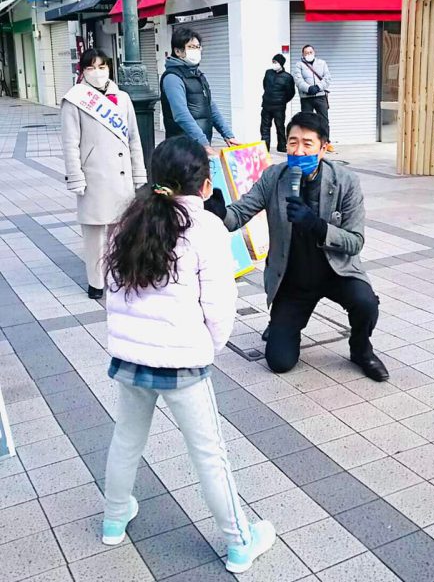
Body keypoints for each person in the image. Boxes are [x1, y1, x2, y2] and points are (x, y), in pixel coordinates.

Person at [102, 136, 276, 573]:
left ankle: (114, 519)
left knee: (126, 440)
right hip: (182, 362)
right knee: (209, 454)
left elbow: (112, 294)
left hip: (130, 359)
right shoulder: (207, 228)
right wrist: (206, 349)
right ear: (204, 185)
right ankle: (239, 543)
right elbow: (219, 307)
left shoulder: (125, 223)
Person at [205, 112, 389, 383]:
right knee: (279, 361)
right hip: (293, 279)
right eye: (293, 142)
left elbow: (355, 242)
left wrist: (317, 225)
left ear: (323, 148)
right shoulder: (274, 177)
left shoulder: (345, 181)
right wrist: (220, 213)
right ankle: (282, 323)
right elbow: (240, 213)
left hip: (336, 272)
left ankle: (361, 349)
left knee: (366, 303)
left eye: (307, 144)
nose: (298, 150)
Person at [61, 48, 147, 300]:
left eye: (102, 67)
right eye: (91, 67)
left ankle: (121, 274)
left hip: (121, 176)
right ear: (82, 71)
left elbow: (134, 139)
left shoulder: (123, 98)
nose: (97, 72)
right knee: (95, 233)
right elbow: (70, 143)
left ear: (110, 68)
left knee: (122, 230)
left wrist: (139, 174)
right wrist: (76, 176)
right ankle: (96, 282)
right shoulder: (74, 99)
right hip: (94, 177)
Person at [160, 27, 240, 156]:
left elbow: (211, 107)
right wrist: (203, 143)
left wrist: (228, 135)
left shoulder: (198, 75)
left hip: (199, 147)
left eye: (198, 47)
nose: (196, 51)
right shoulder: (172, 78)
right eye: (191, 47)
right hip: (181, 149)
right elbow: (181, 114)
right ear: (178, 51)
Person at [293, 45, 334, 153]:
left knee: (324, 120)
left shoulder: (322, 63)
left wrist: (318, 87)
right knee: (307, 121)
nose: (309, 54)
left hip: (320, 96)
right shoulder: (299, 65)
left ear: (314, 52)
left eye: (310, 52)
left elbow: (327, 78)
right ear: (303, 54)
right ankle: (307, 143)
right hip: (306, 97)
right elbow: (298, 80)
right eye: (306, 53)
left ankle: (326, 142)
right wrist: (308, 88)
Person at [260, 53, 295, 153]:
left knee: (280, 127)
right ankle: (265, 148)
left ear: (281, 63)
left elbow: (291, 93)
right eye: (273, 62)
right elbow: (265, 85)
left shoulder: (287, 77)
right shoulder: (268, 73)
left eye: (275, 62)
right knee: (264, 128)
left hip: (279, 107)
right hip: (266, 105)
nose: (274, 64)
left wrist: (282, 100)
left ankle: (282, 146)